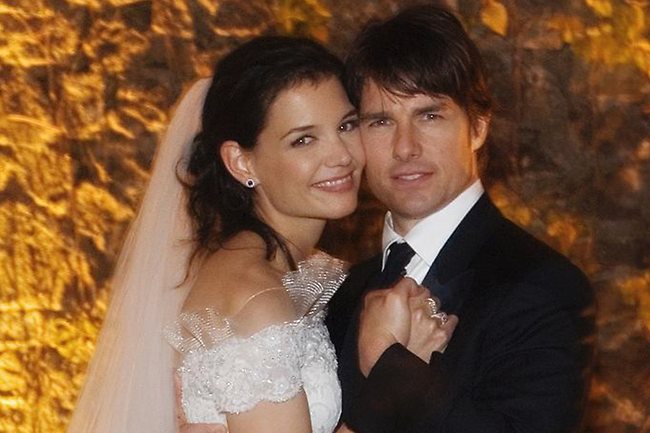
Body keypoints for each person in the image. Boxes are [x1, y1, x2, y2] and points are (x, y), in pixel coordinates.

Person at [67, 36, 365, 433]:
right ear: (242, 162)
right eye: (304, 139)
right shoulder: (257, 298)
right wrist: (385, 395)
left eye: (347, 125)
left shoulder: (268, 268)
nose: (341, 155)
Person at [325, 4, 596, 433]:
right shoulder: (342, 291)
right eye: (380, 121)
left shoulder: (543, 287)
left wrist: (388, 362)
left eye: (429, 115)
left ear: (478, 126)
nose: (405, 147)